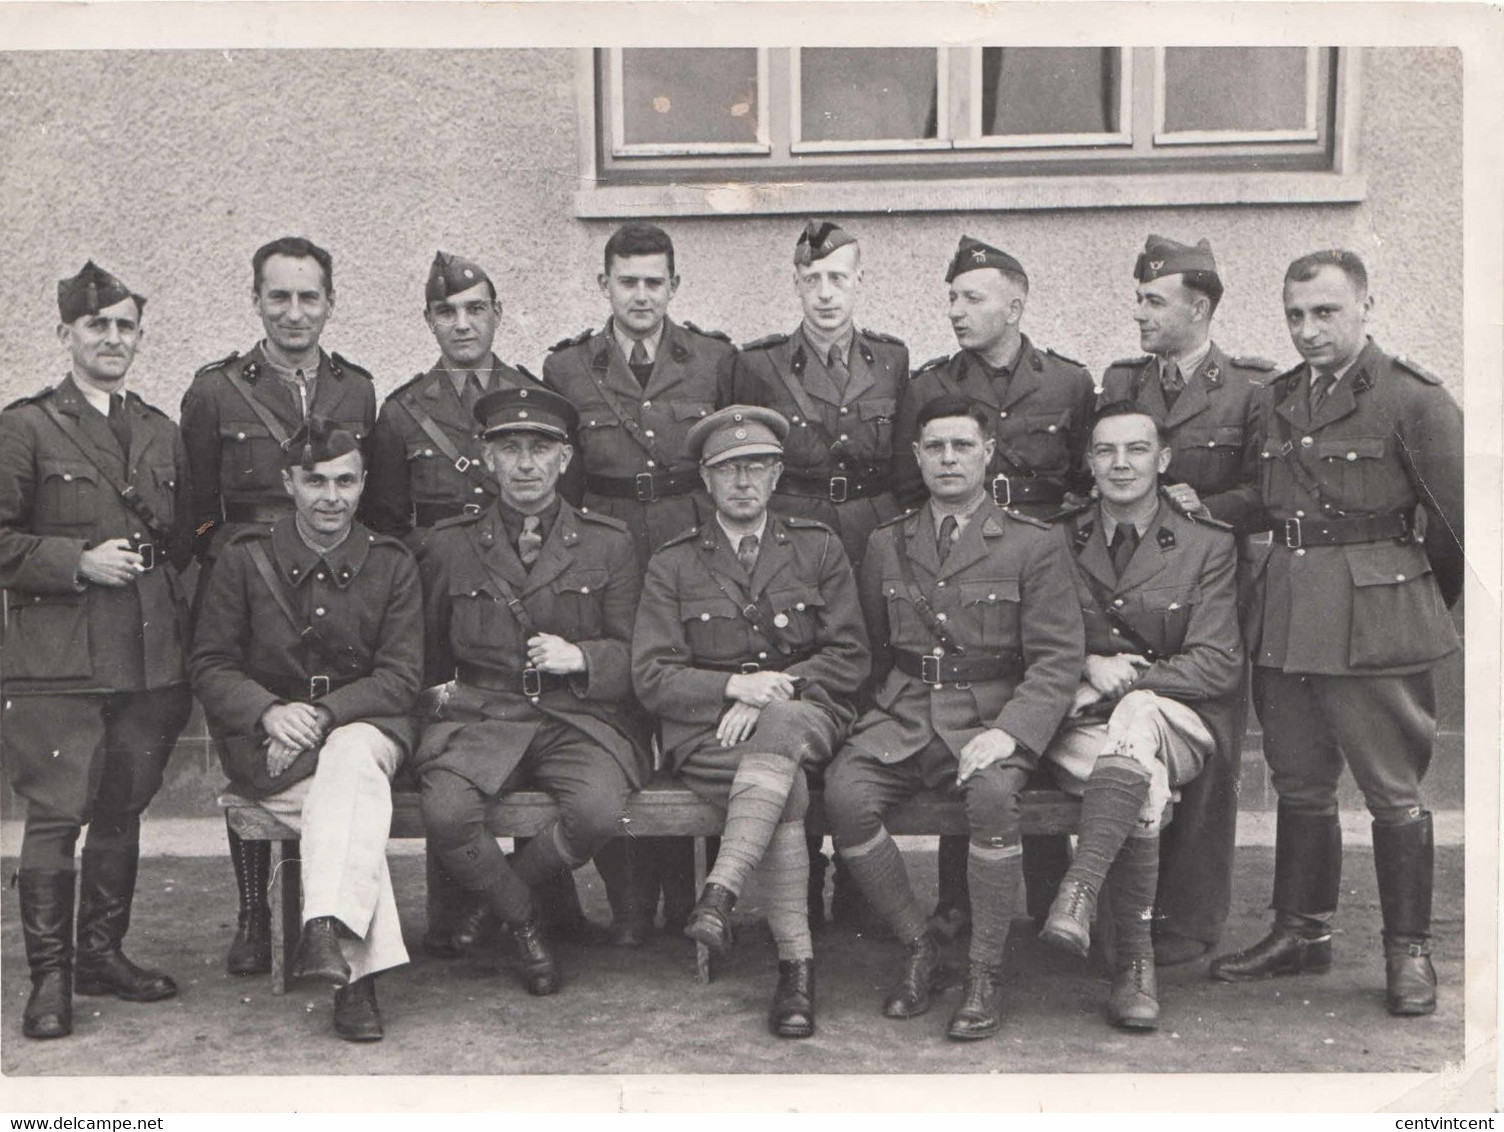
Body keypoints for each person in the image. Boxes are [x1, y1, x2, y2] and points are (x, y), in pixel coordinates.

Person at [1209, 250, 1463, 1017]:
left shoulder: (1414, 399)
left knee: (1392, 791)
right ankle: (1300, 932)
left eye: (1325, 313)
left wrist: (1410, 608)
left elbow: (1456, 528)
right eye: (1295, 315)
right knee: (1299, 780)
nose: (1308, 330)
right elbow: (1268, 497)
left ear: (1365, 308)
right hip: (1287, 614)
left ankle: (1408, 951)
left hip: (1375, 620)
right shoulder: (1279, 396)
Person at [357, 252, 596, 958]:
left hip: (533, 577)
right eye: (446, 312)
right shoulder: (403, 412)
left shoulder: (535, 394)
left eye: (475, 309)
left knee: (535, 724)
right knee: (453, 739)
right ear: (429, 321)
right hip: (446, 586)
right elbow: (389, 522)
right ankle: (457, 913)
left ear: (498, 313)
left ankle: (541, 907)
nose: (462, 324)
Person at [824, 394, 1083, 1042]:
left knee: (994, 797)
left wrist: (1009, 733)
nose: (947, 458)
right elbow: (872, 649)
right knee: (845, 794)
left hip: (991, 716)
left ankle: (983, 971)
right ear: (916, 456)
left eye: (962, 445)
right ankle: (919, 947)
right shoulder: (888, 544)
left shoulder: (1034, 542)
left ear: (987, 451)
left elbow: (1057, 660)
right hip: (906, 711)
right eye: (934, 447)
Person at [0, 262, 194, 1041]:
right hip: (61, 665)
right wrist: (73, 561)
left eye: (124, 327)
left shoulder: (158, 430)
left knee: (124, 808)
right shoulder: (26, 427)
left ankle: (101, 952)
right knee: (56, 815)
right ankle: (50, 980)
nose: (111, 339)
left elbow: (184, 539)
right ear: (66, 336)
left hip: (147, 658)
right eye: (96, 326)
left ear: (139, 337)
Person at [632, 406, 870, 1038]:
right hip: (709, 733)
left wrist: (768, 693)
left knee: (785, 720)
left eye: (757, 466)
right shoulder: (674, 563)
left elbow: (850, 655)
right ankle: (797, 969)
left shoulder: (817, 546)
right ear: (706, 481)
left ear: (777, 474)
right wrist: (732, 686)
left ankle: (722, 890)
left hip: (808, 710)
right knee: (786, 790)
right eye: (727, 469)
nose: (743, 481)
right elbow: (651, 675)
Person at [180, 235, 378, 978]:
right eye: (279, 297)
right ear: (256, 300)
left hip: (333, 582)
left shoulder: (355, 389)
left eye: (309, 297)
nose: (295, 313)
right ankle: (253, 911)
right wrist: (233, 570)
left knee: (321, 740)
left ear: (331, 302)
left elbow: (369, 499)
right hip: (252, 588)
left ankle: (318, 913)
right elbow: (195, 513)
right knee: (255, 732)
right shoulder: (215, 391)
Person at [190, 418, 422, 1042]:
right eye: (315, 481)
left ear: (364, 484)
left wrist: (322, 715)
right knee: (349, 814)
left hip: (365, 731)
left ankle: (327, 932)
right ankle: (350, 974)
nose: (330, 497)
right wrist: (267, 710)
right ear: (288, 482)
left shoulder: (391, 562)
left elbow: (402, 677)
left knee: (348, 758)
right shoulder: (244, 556)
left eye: (345, 482)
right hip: (271, 743)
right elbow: (210, 663)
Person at [892, 236, 1096, 941]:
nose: (956, 311)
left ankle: (1046, 893)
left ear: (1016, 303)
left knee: (1032, 714)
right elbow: (907, 484)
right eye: (951, 297)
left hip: (1041, 569)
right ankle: (959, 902)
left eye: (971, 298)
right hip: (963, 575)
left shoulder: (1069, 384)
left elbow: (1081, 484)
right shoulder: (929, 386)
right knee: (962, 710)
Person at [414, 386, 649, 998]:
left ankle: (490, 906)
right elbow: (427, 655)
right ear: (487, 460)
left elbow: (639, 655)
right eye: (509, 449)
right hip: (482, 715)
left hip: (572, 715)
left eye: (540, 449)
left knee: (598, 809)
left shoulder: (609, 542)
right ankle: (522, 922)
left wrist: (583, 658)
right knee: (445, 812)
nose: (524, 463)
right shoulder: (448, 544)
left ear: (564, 460)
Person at [543, 222, 736, 943]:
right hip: (614, 542)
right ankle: (631, 902)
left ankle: (715, 893)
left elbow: (727, 461)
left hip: (692, 543)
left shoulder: (714, 359)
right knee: (625, 705)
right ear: (604, 286)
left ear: (675, 287)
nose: (642, 295)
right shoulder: (567, 369)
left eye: (656, 281)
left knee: (700, 699)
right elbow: (570, 479)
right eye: (628, 281)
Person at [1096, 235, 1275, 966]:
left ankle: (1193, 921)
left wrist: (1212, 506)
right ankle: (1125, 909)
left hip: (1209, 583)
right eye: (1139, 298)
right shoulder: (1122, 379)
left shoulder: (1251, 390)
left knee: (1208, 747)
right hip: (1126, 581)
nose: (1139, 313)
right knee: (1124, 745)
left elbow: (1270, 495)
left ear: (1198, 307)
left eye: (1153, 301)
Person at [726, 219, 910, 928]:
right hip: (794, 534)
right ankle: (798, 873)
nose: (826, 293)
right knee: (794, 672)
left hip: (870, 534)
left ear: (860, 283)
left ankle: (861, 874)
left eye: (839, 278)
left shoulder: (892, 360)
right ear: (795, 284)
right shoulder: (759, 365)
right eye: (812, 279)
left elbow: (902, 471)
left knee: (863, 684)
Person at [1037, 401, 1243, 1030]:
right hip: (1086, 734)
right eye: (1105, 451)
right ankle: (1135, 961)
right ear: (1089, 462)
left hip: (1178, 720)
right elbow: (1031, 639)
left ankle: (1081, 889)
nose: (1120, 463)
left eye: (1135, 449)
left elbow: (1215, 666)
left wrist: (1111, 679)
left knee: (1140, 709)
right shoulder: (1052, 539)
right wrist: (1080, 666)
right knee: (1139, 781)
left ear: (1163, 460)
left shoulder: (1207, 544)